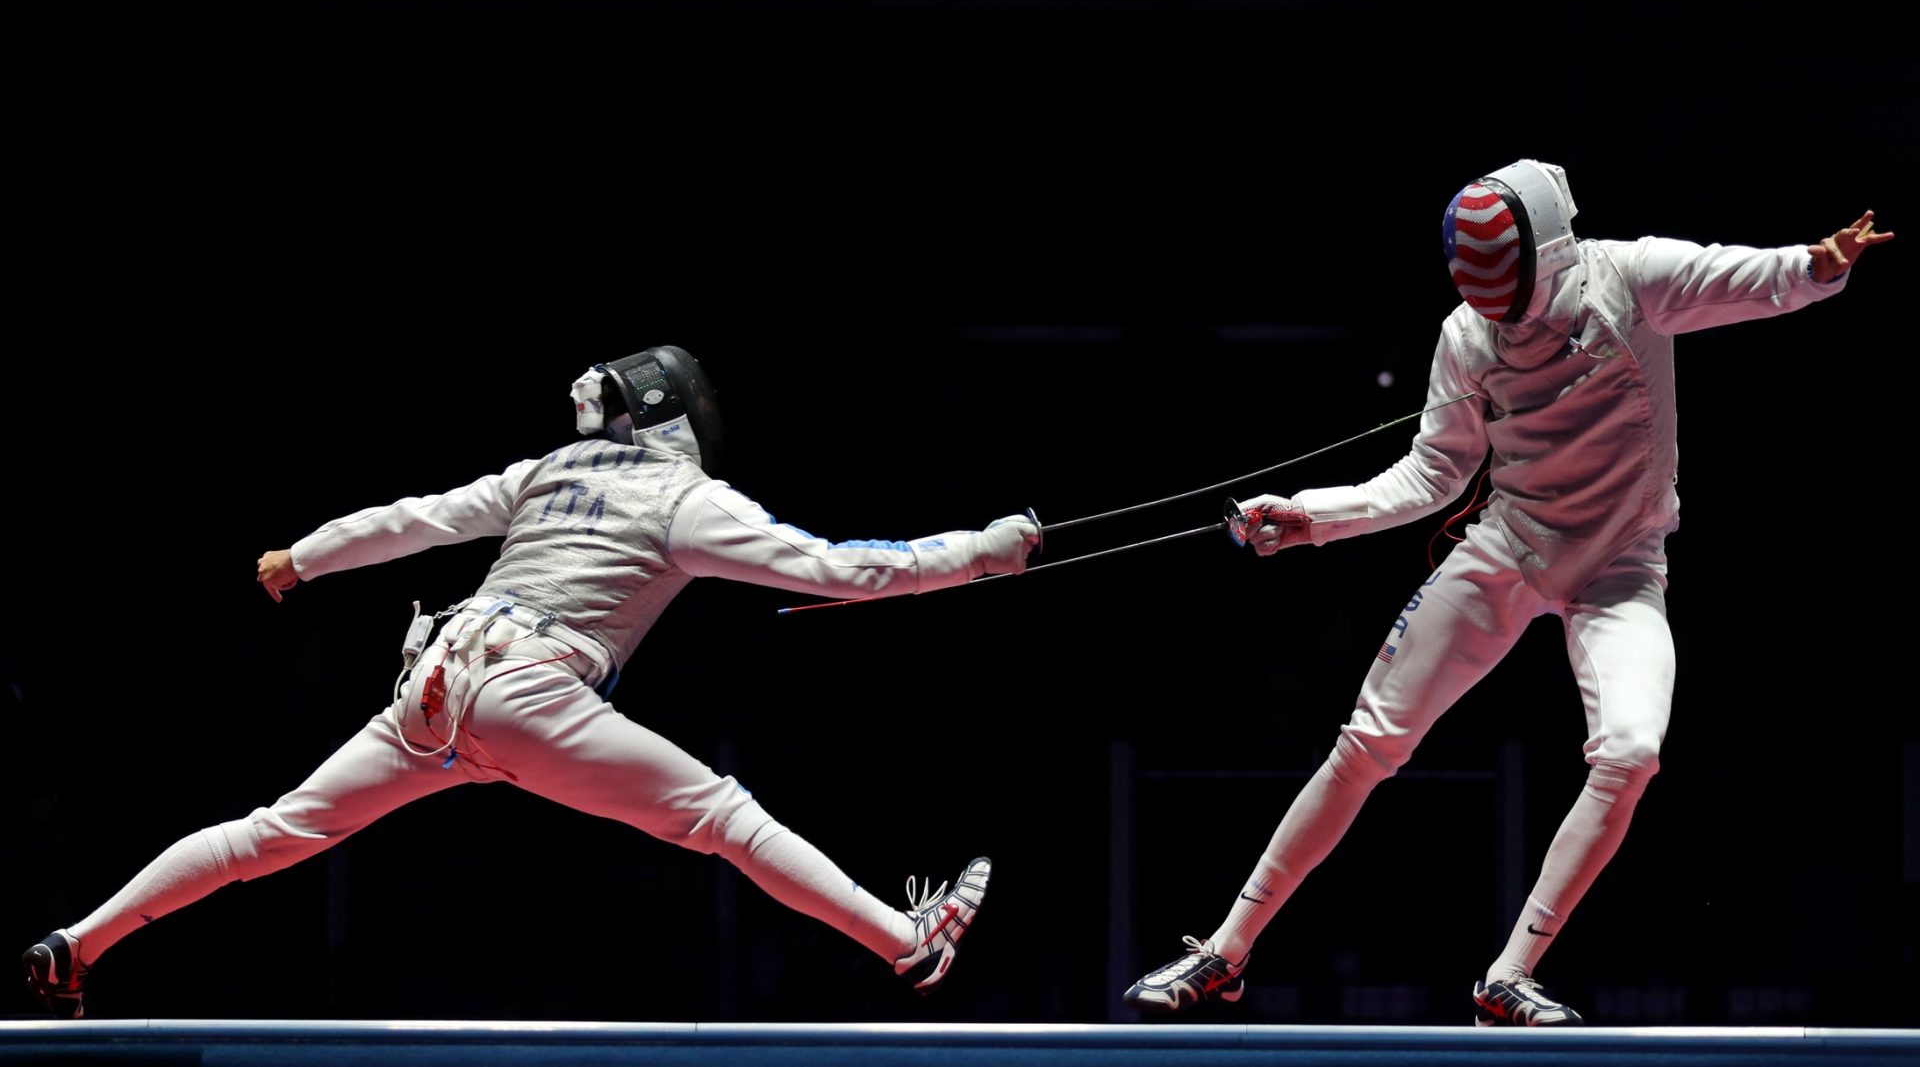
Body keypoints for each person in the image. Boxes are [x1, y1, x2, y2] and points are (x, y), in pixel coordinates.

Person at [21, 347, 1038, 1019]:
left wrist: (304, 555)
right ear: (678, 415)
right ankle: (908, 942)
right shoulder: (688, 498)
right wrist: (985, 553)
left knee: (273, 831)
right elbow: (846, 569)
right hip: (530, 688)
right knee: (723, 814)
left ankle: (80, 942)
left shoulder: (548, 470)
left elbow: (417, 517)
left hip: (434, 679)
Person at [1121, 161, 1891, 1024]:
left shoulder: (1629, 279)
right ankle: (1225, 952)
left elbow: (1740, 277)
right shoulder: (1468, 336)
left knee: (1632, 752)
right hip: (1511, 547)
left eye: (1508, 284)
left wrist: (1821, 263)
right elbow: (1433, 474)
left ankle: (1508, 975)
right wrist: (1312, 516)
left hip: (1622, 565)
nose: (1498, 307)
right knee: (1369, 741)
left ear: (1552, 254)